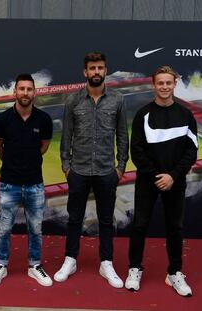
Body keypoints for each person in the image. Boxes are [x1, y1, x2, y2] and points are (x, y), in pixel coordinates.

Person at [56, 52, 129, 288]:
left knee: (106, 220)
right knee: (74, 218)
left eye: (100, 67)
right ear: (84, 72)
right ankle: (70, 259)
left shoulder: (117, 100)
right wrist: (66, 167)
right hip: (78, 170)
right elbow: (66, 136)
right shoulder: (73, 101)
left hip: (107, 171)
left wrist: (120, 167)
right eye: (92, 68)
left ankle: (106, 262)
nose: (96, 72)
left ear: (105, 70)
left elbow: (122, 135)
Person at [125, 66, 197, 297]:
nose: (164, 87)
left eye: (168, 82)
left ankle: (174, 272)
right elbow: (136, 151)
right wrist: (157, 176)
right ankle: (134, 269)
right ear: (153, 85)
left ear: (175, 83)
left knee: (174, 228)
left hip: (175, 181)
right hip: (148, 181)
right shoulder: (143, 114)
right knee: (139, 226)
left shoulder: (186, 115)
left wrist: (172, 176)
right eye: (160, 83)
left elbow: (191, 151)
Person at [0, 73, 53, 287]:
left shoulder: (43, 119)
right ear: (15, 92)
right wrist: (11, 161)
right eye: (21, 89)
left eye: (29, 89)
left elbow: (44, 145)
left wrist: (30, 159)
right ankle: (1, 264)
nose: (25, 93)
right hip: (9, 183)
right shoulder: (3, 119)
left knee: (35, 228)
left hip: (35, 183)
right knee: (4, 227)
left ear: (34, 92)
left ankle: (35, 265)